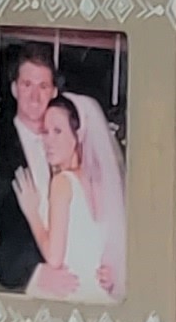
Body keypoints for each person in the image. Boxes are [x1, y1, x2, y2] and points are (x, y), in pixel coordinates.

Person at [17, 93, 125, 302]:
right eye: (46, 132)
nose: (48, 140)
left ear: (79, 134)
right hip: (99, 294)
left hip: (70, 292)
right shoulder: (103, 184)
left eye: (58, 131)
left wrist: (32, 215)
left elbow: (54, 258)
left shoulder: (62, 184)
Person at [0, 46, 57, 293]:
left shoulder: (69, 145)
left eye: (43, 87)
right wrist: (33, 273)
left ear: (54, 92)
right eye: (27, 85)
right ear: (15, 89)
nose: (35, 97)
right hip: (19, 281)